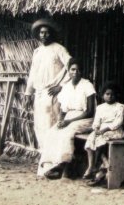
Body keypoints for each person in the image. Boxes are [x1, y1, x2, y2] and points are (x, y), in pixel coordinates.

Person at [24, 18, 72, 176]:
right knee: (40, 127)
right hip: (39, 93)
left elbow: (70, 66)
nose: (44, 35)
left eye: (46, 32)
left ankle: (54, 165)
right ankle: (44, 164)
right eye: (41, 33)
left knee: (52, 126)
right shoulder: (37, 52)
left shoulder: (59, 49)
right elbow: (32, 74)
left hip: (52, 94)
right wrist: (28, 93)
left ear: (51, 34)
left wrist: (62, 85)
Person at [39, 59, 96, 179]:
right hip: (69, 117)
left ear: (82, 72)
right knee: (52, 132)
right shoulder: (66, 87)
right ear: (68, 72)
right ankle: (51, 165)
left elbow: (90, 111)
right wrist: (60, 121)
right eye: (73, 69)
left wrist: (69, 122)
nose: (75, 72)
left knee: (67, 133)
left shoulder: (87, 85)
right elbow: (63, 110)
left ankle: (63, 165)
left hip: (85, 119)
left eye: (78, 70)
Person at [85, 82, 124, 186]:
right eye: (107, 94)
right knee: (91, 139)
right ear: (103, 95)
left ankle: (99, 166)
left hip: (114, 131)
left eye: (112, 94)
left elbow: (118, 122)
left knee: (100, 140)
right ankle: (93, 166)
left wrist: (105, 129)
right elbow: (96, 122)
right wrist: (96, 128)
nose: (110, 96)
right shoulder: (100, 107)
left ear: (116, 95)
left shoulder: (120, 107)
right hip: (101, 131)